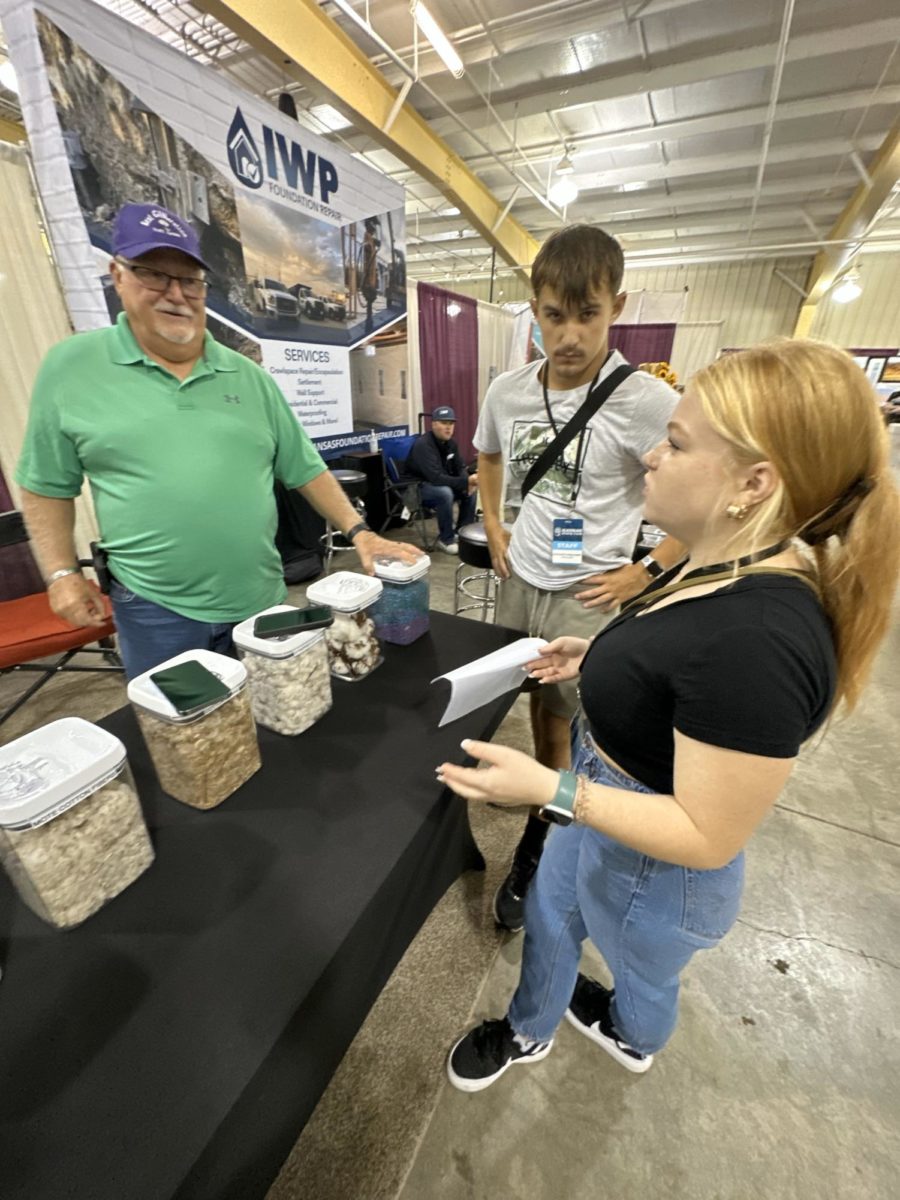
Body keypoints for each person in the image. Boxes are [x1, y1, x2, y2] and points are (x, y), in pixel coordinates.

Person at [438, 338, 900, 1091]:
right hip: (598, 802)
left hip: (657, 859)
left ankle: (631, 1033)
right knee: (552, 922)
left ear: (753, 482)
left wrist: (548, 791)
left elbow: (708, 834)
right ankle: (530, 1028)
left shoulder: (760, 641)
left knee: (643, 973)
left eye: (677, 444)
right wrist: (596, 659)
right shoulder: (719, 560)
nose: (652, 456)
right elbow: (676, 658)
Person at [16, 202, 419, 680]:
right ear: (117, 275)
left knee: (279, 722)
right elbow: (46, 484)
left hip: (261, 601)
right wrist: (62, 574)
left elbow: (303, 466)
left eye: (190, 280)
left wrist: (362, 533)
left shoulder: (248, 376)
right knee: (187, 738)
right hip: (157, 612)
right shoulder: (73, 368)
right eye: (153, 274)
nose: (176, 294)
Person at [475, 224, 685, 932]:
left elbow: (710, 497)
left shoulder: (646, 401)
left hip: (589, 594)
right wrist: (498, 527)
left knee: (580, 721)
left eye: (587, 314)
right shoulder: (507, 390)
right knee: (530, 702)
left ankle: (549, 840)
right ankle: (543, 794)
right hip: (522, 580)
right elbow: (489, 459)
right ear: (534, 308)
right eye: (553, 315)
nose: (568, 334)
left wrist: (646, 569)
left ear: (616, 306)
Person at [405, 405, 478, 554]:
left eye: (451, 424)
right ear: (433, 424)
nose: (448, 428)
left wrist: (467, 483)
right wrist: (466, 482)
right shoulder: (423, 445)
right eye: (444, 423)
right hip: (416, 488)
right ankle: (446, 540)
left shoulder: (452, 444)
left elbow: (460, 469)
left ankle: (462, 533)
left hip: (438, 484)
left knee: (470, 492)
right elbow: (436, 478)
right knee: (445, 493)